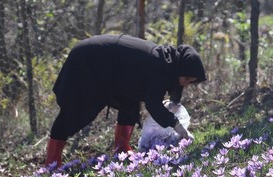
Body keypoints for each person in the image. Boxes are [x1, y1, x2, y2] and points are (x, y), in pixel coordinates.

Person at [45, 34, 206, 168]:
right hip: (91, 60)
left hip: (113, 66)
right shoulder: (161, 67)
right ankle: (52, 161)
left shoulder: (169, 64)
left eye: (190, 81)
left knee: (130, 100)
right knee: (78, 109)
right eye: (185, 78)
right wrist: (177, 125)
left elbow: (154, 95)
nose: (186, 83)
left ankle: (121, 148)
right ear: (180, 69)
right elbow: (153, 103)